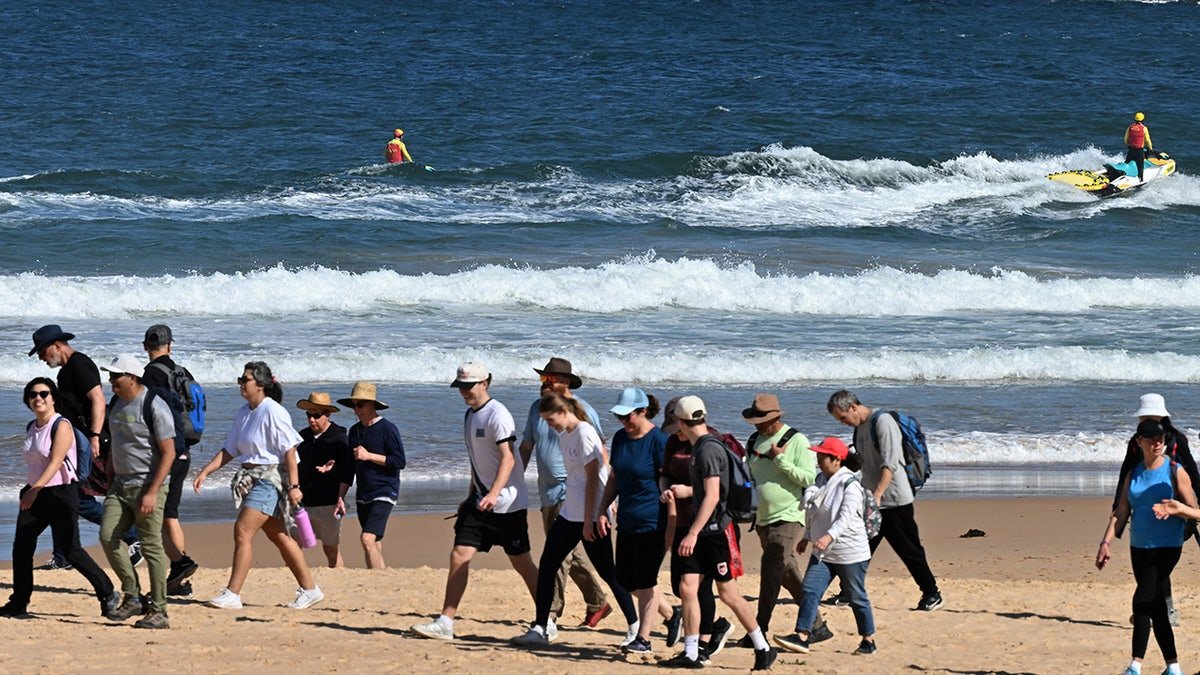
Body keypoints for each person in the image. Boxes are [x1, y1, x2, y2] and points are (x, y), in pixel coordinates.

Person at [411, 362, 540, 641]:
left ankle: (546, 619)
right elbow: (476, 462)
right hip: (480, 502)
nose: (464, 392)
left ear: (485, 383)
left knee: (522, 564)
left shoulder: (498, 414)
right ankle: (446, 621)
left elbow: (507, 458)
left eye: (469, 386)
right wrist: (471, 496)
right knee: (459, 555)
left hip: (508, 504)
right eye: (460, 387)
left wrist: (494, 494)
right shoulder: (470, 416)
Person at [192, 361, 324, 611]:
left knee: (242, 531)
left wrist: (294, 486)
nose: (241, 383)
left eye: (246, 379)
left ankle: (233, 593)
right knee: (280, 536)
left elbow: (290, 451)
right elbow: (231, 449)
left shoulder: (273, 411)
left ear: (261, 385)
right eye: (240, 379)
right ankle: (310, 589)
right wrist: (206, 471)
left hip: (270, 480)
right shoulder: (244, 412)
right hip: (251, 479)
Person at [512, 392, 639, 648]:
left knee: (608, 572)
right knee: (548, 564)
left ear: (563, 412)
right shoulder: (564, 434)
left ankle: (635, 626)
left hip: (589, 514)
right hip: (571, 512)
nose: (549, 425)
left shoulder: (584, 433)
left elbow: (595, 477)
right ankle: (541, 627)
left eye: (550, 420)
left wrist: (593, 517)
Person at [661, 395, 777, 671]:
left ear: (681, 421)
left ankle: (763, 647)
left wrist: (692, 533)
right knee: (687, 588)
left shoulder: (707, 449)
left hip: (715, 532)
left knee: (728, 593)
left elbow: (712, 497)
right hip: (700, 530)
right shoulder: (697, 445)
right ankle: (691, 652)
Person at [0, 378, 119, 620]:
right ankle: (19, 602)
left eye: (44, 393)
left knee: (71, 550)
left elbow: (56, 462)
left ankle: (107, 594)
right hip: (35, 492)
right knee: (21, 548)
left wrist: (35, 490)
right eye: (33, 394)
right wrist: (31, 489)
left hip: (61, 493)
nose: (38, 398)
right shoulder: (32, 426)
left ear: (53, 398)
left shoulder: (61, 425)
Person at [29, 324, 139, 569]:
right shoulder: (65, 372)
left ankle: (132, 536)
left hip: (90, 443)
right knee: (61, 493)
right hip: (77, 442)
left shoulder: (79, 364)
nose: (40, 357)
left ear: (56, 346)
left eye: (42, 351)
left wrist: (95, 436)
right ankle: (63, 555)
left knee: (76, 498)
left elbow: (98, 399)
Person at [827, 389, 942, 611]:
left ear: (853, 407)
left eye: (842, 417)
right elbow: (863, 462)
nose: (843, 423)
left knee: (909, 550)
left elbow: (891, 463)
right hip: (872, 500)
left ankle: (932, 593)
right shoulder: (859, 428)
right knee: (860, 547)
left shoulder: (883, 421)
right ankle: (849, 592)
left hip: (895, 500)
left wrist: (878, 493)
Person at [518, 356, 611, 627]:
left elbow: (600, 453)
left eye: (549, 379)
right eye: (542, 378)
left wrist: (607, 498)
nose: (543, 384)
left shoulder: (583, 410)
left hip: (571, 491)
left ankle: (550, 613)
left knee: (556, 557)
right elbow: (526, 446)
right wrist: (514, 480)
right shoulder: (536, 408)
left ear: (565, 383)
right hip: (546, 490)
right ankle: (598, 601)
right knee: (568, 553)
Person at [1098, 419, 1194, 675]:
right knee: (1156, 607)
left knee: (1141, 601)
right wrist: (1106, 542)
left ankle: (1134, 666)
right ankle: (1173, 667)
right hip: (1139, 546)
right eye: (1151, 439)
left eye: (1160, 438)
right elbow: (1121, 511)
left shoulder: (1175, 471)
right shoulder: (1134, 473)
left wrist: (1178, 508)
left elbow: (1197, 512)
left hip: (1167, 547)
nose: (1157, 443)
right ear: (1138, 442)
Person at [740, 393, 830, 644]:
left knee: (770, 570)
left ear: (775, 418)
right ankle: (817, 625)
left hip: (789, 516)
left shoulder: (796, 440)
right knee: (786, 571)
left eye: (762, 420)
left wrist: (780, 459)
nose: (757, 425)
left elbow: (808, 479)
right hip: (763, 518)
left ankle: (758, 630)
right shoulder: (753, 440)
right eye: (755, 421)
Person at [775, 437, 877, 656]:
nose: (819, 459)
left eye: (823, 456)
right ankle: (802, 636)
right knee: (810, 590)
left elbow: (845, 516)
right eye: (818, 455)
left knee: (856, 596)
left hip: (850, 552)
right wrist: (807, 536)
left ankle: (868, 640)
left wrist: (829, 537)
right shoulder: (820, 479)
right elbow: (816, 514)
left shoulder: (850, 484)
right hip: (824, 552)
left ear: (837, 460)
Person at [98, 354, 176, 629]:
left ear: (132, 377)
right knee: (108, 536)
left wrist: (153, 492)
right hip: (120, 485)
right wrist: (109, 475)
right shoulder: (116, 403)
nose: (111, 380)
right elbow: (117, 444)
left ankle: (159, 611)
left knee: (152, 547)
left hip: (148, 485)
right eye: (110, 375)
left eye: (116, 376)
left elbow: (169, 453)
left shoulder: (154, 405)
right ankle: (132, 596)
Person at [598, 387, 678, 656]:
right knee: (625, 580)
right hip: (628, 520)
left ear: (643, 411)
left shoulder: (659, 441)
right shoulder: (621, 439)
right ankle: (671, 614)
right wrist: (602, 508)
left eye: (627, 416)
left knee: (646, 581)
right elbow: (614, 479)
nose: (623, 422)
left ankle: (643, 639)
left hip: (653, 521)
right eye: (619, 417)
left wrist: (671, 525)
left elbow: (668, 483)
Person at [1111, 393, 1198, 627]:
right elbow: (1126, 474)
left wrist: (1193, 511)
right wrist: (1118, 508)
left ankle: (1161, 608)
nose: (1145, 423)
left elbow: (1191, 474)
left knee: (1158, 561)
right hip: (1147, 512)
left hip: (1175, 511)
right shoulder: (1136, 442)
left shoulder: (1177, 439)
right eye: (1143, 418)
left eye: (1149, 418)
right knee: (1153, 562)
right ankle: (1156, 607)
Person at [659, 397, 733, 661]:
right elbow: (665, 473)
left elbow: (716, 489)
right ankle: (706, 636)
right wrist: (667, 491)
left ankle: (704, 639)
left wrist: (688, 491)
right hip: (681, 520)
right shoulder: (672, 442)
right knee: (682, 585)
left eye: (677, 426)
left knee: (702, 587)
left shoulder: (708, 443)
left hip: (706, 524)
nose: (675, 432)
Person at [140, 324, 200, 596]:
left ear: (145, 347)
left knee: (157, 514)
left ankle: (180, 564)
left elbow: (147, 414)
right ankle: (181, 576)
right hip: (184, 449)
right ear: (170, 345)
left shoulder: (149, 374)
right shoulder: (183, 372)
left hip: (165, 453)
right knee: (170, 514)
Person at [337, 381, 406, 569]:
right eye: (354, 405)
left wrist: (369, 456)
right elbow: (349, 468)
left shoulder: (388, 428)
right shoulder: (355, 431)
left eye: (360, 404)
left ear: (372, 404)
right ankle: (378, 579)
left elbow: (399, 461)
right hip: (363, 494)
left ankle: (377, 578)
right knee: (374, 543)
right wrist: (340, 497)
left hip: (385, 490)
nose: (356, 409)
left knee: (366, 539)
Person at [296, 392, 353, 568]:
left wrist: (340, 497)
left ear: (327, 414)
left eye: (316, 415)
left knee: (330, 549)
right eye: (308, 415)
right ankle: (296, 579)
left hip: (328, 504)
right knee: (293, 543)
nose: (311, 420)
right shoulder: (302, 437)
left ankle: (339, 579)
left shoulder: (340, 439)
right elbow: (293, 465)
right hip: (302, 503)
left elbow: (348, 471)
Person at [1124, 112, 1153, 183]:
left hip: (1131, 150)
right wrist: (1150, 148)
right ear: (1143, 120)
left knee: (1127, 163)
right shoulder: (1144, 128)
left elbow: (1125, 139)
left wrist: (1129, 144)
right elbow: (1148, 140)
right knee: (1140, 165)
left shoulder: (1130, 127)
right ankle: (1141, 180)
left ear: (1135, 120)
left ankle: (1124, 177)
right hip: (1139, 150)